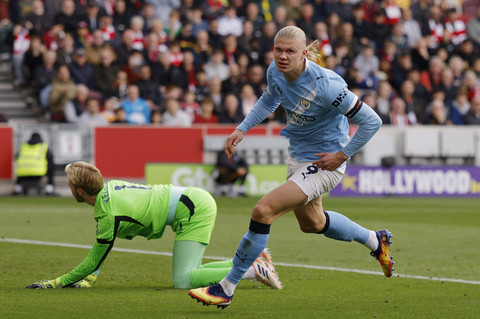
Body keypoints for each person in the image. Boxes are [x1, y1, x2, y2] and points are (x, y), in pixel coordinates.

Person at [188, 26, 394, 309]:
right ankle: (375, 240)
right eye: (278, 50)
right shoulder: (276, 70)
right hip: (299, 157)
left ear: (305, 53)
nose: (283, 57)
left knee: (263, 211)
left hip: (325, 162)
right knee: (313, 224)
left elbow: (372, 121)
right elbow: (270, 98)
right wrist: (242, 129)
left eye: (290, 51)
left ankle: (225, 288)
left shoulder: (327, 86)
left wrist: (342, 155)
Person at [25, 161, 280, 290]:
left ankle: (251, 270)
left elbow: (94, 257)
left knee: (183, 280)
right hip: (194, 201)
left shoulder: (107, 214)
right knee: (193, 270)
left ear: (79, 190)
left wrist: (55, 283)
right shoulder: (109, 190)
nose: (69, 189)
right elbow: (103, 250)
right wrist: (90, 279)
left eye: (70, 185)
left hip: (193, 209)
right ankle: (255, 258)